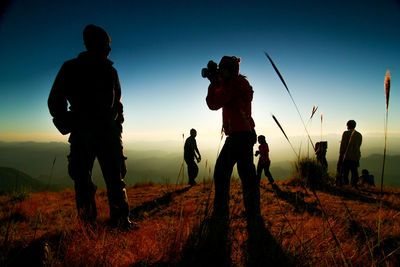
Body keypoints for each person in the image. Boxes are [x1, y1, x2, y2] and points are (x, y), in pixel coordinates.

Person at [48, 24, 132, 229]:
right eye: (106, 44)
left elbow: (118, 105)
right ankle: (88, 226)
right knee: (83, 181)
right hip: (83, 133)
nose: (109, 49)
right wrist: (70, 122)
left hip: (107, 134)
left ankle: (121, 222)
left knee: (115, 179)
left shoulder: (111, 72)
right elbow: (55, 101)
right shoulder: (71, 68)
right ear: (92, 44)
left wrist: (117, 128)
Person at [205, 56, 260, 220]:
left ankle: (221, 214)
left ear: (231, 70)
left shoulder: (234, 84)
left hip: (239, 135)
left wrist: (213, 82)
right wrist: (216, 81)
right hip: (244, 134)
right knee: (247, 175)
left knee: (222, 173)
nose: (221, 72)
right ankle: (253, 214)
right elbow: (217, 99)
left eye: (223, 69)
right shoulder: (238, 83)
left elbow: (213, 103)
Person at [337, 120, 362, 188]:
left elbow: (343, 146)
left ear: (348, 125)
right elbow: (359, 145)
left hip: (347, 156)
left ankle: (346, 185)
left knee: (345, 171)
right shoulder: (359, 134)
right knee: (354, 171)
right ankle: (354, 184)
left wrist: (341, 155)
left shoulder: (346, 133)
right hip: (356, 156)